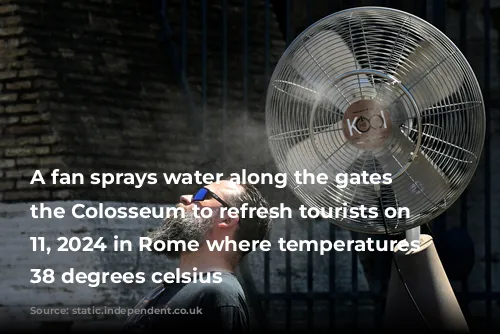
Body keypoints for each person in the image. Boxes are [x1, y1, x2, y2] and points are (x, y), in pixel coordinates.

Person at [122, 179, 272, 333]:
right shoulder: (168, 290)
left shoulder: (218, 295)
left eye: (203, 195)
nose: (185, 198)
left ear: (227, 219)